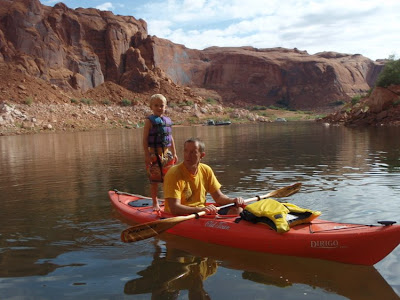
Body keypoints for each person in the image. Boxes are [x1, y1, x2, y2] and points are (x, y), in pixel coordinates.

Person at [163, 137, 244, 215]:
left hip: (202, 212)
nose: (188, 155)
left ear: (202, 155)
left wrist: (233, 200)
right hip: (184, 215)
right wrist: (201, 209)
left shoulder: (206, 170)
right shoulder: (174, 173)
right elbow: (174, 208)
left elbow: (219, 197)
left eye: (193, 152)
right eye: (186, 151)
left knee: (238, 210)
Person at [143, 94, 178, 211]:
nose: (159, 108)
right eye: (156, 105)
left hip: (167, 155)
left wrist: (175, 153)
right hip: (154, 155)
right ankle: (155, 202)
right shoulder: (149, 121)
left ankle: (169, 201)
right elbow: (145, 139)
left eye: (161, 105)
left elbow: (170, 138)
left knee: (169, 180)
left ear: (165, 106)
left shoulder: (167, 120)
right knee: (154, 181)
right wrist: (147, 155)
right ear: (151, 107)